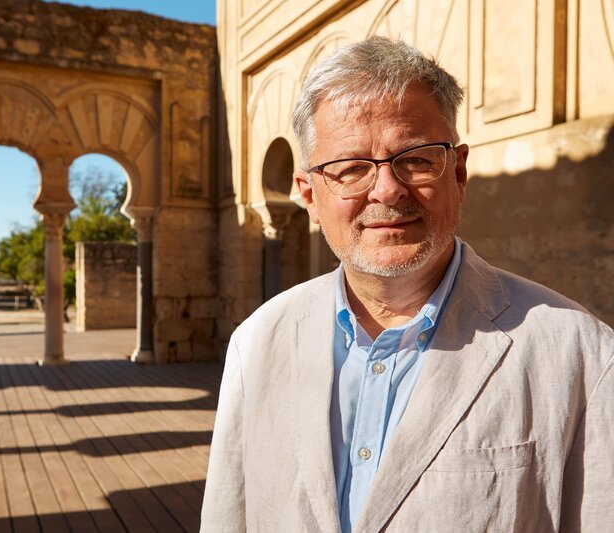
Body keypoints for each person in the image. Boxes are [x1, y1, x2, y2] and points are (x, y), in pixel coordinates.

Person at [200, 36, 614, 532]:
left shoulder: (579, 354)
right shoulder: (258, 343)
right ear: (309, 195)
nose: (387, 188)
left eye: (416, 159)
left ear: (458, 173)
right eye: (351, 168)